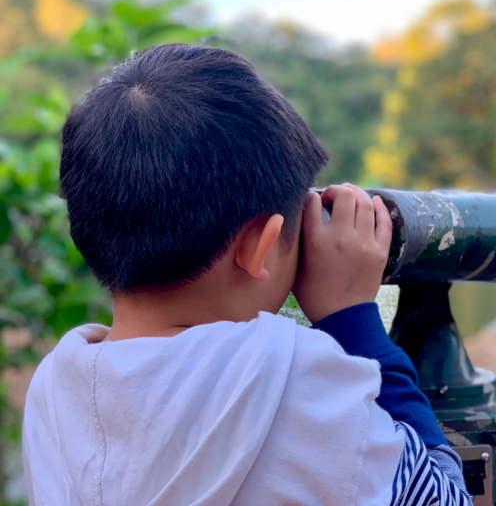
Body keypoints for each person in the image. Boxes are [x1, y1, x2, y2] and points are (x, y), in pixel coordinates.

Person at [22, 43, 472, 505]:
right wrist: (350, 317)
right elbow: (444, 497)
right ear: (260, 246)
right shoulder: (294, 378)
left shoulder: (55, 387)